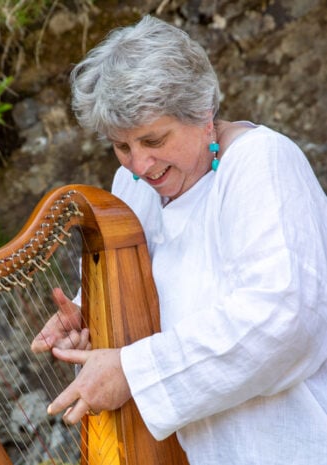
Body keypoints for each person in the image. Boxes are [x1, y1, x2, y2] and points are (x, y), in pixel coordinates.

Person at [31, 15, 327, 464]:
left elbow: (283, 320)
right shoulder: (132, 189)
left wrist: (133, 372)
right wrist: (88, 318)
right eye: (122, 146)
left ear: (203, 114)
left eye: (154, 140)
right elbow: (153, 291)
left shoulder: (260, 163)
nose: (139, 165)